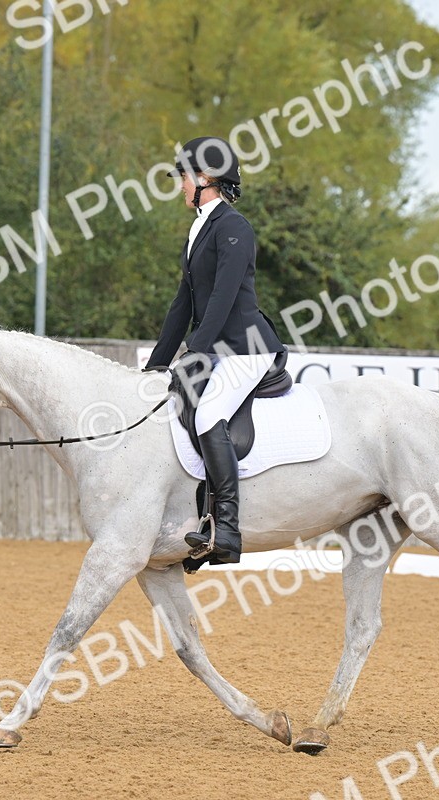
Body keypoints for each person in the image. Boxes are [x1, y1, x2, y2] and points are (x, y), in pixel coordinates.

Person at [143, 136, 285, 564]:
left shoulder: (234, 227)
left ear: (205, 179)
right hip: (220, 348)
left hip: (248, 347)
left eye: (184, 177)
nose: (181, 186)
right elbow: (183, 302)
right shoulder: (199, 227)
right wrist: (156, 365)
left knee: (208, 414)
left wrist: (194, 354)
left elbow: (222, 300)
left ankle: (226, 530)